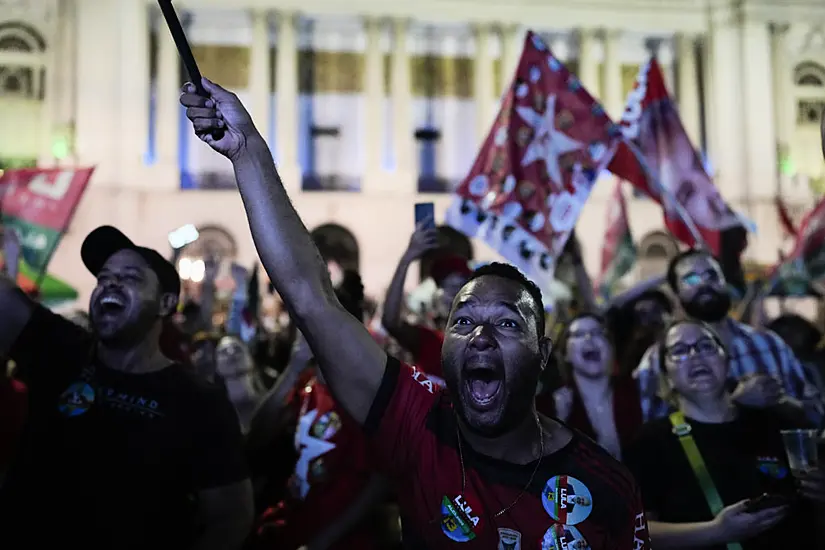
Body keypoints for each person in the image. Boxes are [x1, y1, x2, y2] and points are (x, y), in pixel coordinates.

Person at [181, 78, 652, 549]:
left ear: (544, 353)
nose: (481, 337)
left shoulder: (607, 487)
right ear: (443, 344)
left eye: (508, 323)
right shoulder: (417, 421)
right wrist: (248, 153)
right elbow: (309, 297)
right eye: (463, 321)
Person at [0, 226, 253, 550]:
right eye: (103, 278)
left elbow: (231, 517)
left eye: (131, 277)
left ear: (165, 303)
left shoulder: (199, 402)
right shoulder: (60, 351)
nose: (111, 283)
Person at [624, 319, 825, 548]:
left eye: (706, 346)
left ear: (727, 362)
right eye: (679, 351)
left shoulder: (780, 423)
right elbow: (634, 532)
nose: (695, 355)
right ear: (667, 377)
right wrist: (716, 531)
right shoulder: (650, 442)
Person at [247, 270, 389, 550]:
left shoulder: (365, 394)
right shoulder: (306, 383)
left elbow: (380, 482)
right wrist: (292, 368)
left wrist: (320, 544)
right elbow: (257, 436)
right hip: (289, 526)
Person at [633, 249, 821, 423]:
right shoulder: (659, 359)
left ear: (725, 283)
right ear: (676, 294)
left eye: (712, 276)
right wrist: (733, 403)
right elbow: (657, 432)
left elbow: (811, 410)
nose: (704, 283)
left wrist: (786, 403)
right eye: (691, 280)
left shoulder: (769, 344)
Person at [538, 313, 642, 459]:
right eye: (579, 334)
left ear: (610, 347)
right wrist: (560, 422)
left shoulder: (636, 391)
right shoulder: (550, 406)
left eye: (598, 332)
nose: (589, 338)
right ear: (565, 353)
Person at [382, 222, 471, 383]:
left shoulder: (481, 341)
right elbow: (390, 321)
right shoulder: (428, 340)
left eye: (462, 287)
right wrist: (407, 259)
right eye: (451, 288)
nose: (457, 295)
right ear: (435, 294)